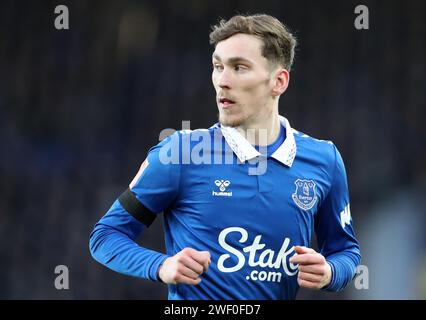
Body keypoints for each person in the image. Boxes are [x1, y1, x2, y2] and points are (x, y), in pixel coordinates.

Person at [89, 14, 361, 300]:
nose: (222, 81)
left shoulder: (324, 159)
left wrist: (331, 271)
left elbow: (345, 251)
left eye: (239, 68)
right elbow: (105, 236)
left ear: (278, 81)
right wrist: (161, 265)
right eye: (217, 67)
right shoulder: (180, 153)